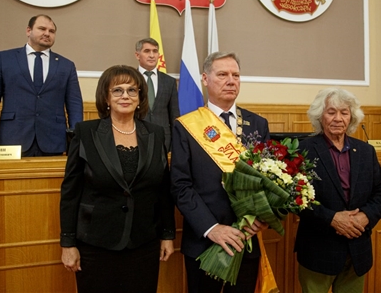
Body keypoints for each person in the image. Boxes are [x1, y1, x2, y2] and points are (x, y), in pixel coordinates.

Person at [59, 65, 175, 293]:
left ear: (141, 97)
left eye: (132, 90)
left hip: (144, 243)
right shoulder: (85, 133)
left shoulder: (155, 134)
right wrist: (68, 243)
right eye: (117, 90)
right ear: (106, 98)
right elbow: (70, 193)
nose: (125, 96)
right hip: (96, 244)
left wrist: (167, 235)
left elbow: (163, 190)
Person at [170, 52, 270, 293]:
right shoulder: (186, 125)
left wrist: (259, 219)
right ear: (205, 79)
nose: (231, 80)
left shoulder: (258, 124)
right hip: (204, 241)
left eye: (236, 75)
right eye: (222, 74)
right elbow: (181, 186)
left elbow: (270, 180)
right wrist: (212, 228)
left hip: (247, 238)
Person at [295, 87, 381, 293]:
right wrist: (332, 219)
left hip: (357, 250)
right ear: (320, 116)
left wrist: (365, 217)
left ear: (352, 117)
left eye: (344, 112)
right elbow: (295, 198)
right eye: (331, 112)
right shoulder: (303, 150)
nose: (338, 118)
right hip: (318, 251)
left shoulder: (366, 151)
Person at [0, 14, 83, 156]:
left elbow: (75, 106)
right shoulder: (4, 59)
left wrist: (74, 144)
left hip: (54, 143)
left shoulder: (66, 66)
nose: (47, 33)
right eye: (42, 29)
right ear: (28, 31)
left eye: (51, 31)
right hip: (12, 143)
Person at [135, 38, 180, 151]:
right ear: (137, 55)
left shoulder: (169, 81)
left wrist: (176, 143)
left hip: (163, 140)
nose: (152, 55)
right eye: (147, 51)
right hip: (136, 136)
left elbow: (174, 114)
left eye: (155, 51)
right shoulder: (130, 79)